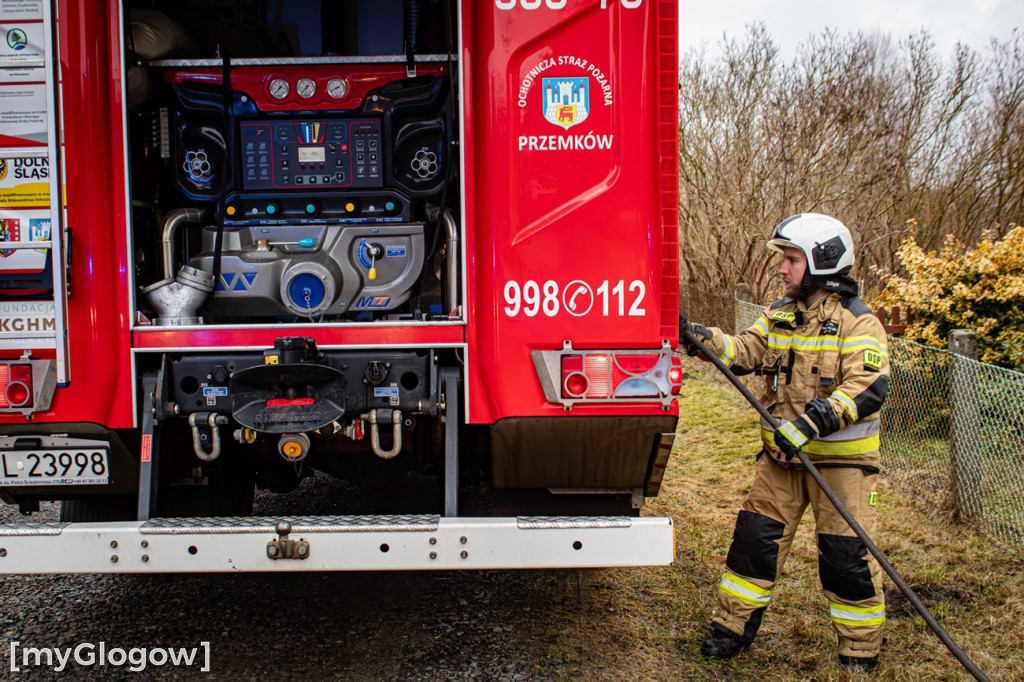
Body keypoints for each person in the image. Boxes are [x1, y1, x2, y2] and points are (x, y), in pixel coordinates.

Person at [680, 213, 890, 673]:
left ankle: (859, 650)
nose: (782, 268)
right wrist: (700, 336)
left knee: (846, 558)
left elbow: (867, 387)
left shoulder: (859, 323)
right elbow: (744, 350)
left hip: (842, 467)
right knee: (753, 543)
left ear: (822, 262)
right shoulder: (780, 314)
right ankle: (730, 629)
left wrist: (812, 423)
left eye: (792, 259)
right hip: (782, 461)